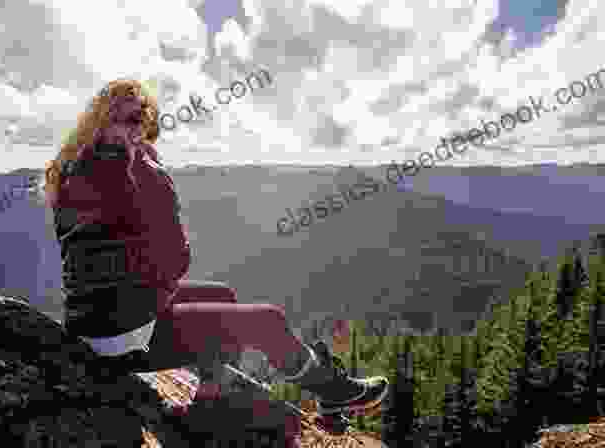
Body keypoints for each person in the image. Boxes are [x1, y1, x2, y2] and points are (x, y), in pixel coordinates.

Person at [43, 78, 388, 416]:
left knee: (222, 294)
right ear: (104, 120)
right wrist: (156, 175)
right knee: (268, 320)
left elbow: (110, 255)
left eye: (147, 124)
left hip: (91, 323)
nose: (141, 132)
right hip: (122, 341)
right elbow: (177, 260)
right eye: (133, 120)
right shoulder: (126, 172)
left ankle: (211, 395)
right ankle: (333, 391)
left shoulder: (75, 166)